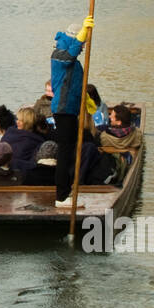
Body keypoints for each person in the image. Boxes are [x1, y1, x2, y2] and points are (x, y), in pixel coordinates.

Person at [50, 16, 94, 207]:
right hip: (63, 110)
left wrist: (88, 102)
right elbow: (70, 56)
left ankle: (67, 192)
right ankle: (61, 196)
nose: (83, 46)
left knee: (70, 150)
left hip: (71, 110)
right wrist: (82, 35)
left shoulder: (70, 56)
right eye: (83, 42)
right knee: (65, 153)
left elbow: (75, 84)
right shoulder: (59, 53)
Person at [1, 106, 44, 173]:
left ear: (28, 122)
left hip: (10, 170)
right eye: (17, 119)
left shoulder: (10, 132)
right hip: (19, 172)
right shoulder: (38, 140)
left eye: (21, 121)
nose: (17, 122)